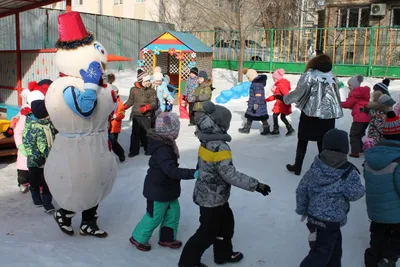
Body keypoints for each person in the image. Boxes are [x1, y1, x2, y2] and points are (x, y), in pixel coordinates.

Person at [179, 101, 271, 267]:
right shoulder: (220, 147)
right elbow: (229, 174)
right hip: (211, 199)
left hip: (214, 194)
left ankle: (223, 254)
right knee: (206, 233)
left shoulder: (205, 139)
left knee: (226, 224)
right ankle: (188, 263)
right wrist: (255, 185)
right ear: (221, 125)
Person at [296, 128, 365, 267]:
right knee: (319, 254)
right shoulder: (348, 171)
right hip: (331, 221)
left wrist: (302, 209)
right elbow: (355, 194)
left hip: (314, 218)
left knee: (333, 250)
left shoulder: (315, 167)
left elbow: (302, 189)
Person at [129, 112, 197, 251]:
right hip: (157, 190)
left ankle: (167, 238)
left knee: (173, 214)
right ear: (170, 131)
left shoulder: (167, 144)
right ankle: (138, 237)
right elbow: (171, 170)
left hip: (168, 189)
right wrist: (193, 173)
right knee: (154, 216)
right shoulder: (162, 148)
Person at [279, 54, 343, 176]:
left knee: (303, 140)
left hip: (310, 113)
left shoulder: (310, 75)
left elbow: (299, 92)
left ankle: (297, 167)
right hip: (328, 116)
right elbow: (336, 95)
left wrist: (285, 99)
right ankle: (324, 170)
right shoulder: (332, 76)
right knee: (323, 142)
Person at [364, 111, 400, 267]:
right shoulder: (397, 160)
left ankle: (372, 259)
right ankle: (388, 259)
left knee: (377, 237)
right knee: (397, 238)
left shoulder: (371, 156)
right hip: (395, 213)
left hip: (375, 210)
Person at [23, 95, 57, 213]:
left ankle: (47, 203)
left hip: (48, 159)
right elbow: (29, 145)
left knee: (47, 181)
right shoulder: (32, 127)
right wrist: (38, 159)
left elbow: (54, 136)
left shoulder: (49, 124)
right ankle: (36, 198)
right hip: (36, 161)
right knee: (35, 181)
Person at [124, 71, 158, 157]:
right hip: (136, 114)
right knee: (135, 133)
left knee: (147, 132)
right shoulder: (133, 90)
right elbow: (130, 101)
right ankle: (134, 151)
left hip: (147, 115)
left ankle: (148, 148)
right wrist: (124, 107)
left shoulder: (151, 91)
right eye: (146, 81)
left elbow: (154, 103)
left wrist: (147, 107)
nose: (148, 83)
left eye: (149, 81)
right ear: (140, 81)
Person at [341, 75, 371, 158]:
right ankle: (361, 148)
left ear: (354, 86)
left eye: (350, 85)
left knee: (354, 134)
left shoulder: (355, 94)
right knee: (361, 133)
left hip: (359, 119)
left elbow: (348, 104)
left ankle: (355, 152)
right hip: (366, 118)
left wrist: (339, 103)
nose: (348, 87)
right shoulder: (363, 93)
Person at [238, 69, 270, 135]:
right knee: (261, 116)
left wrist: (256, 103)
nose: (248, 79)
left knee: (250, 115)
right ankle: (266, 128)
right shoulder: (258, 83)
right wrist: (251, 100)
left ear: (252, 76)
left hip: (257, 104)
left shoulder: (256, 84)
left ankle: (247, 129)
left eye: (248, 78)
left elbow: (258, 94)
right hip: (259, 104)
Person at [265, 68, 295, 136]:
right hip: (283, 104)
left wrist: (282, 99)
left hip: (282, 104)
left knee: (275, 115)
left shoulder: (280, 84)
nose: (273, 79)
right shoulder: (279, 84)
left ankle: (276, 130)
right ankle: (290, 129)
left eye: (274, 78)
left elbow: (286, 94)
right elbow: (276, 96)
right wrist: (266, 100)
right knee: (282, 117)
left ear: (276, 78)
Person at [14, 89, 32, 194]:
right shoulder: (25, 111)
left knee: (37, 168)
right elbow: (18, 131)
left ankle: (39, 183)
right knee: (23, 168)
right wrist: (20, 146)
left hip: (37, 145)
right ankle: (23, 182)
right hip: (25, 144)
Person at [108, 74, 126, 162]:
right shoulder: (106, 101)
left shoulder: (119, 103)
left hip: (114, 127)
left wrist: (116, 116)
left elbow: (122, 113)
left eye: (115, 92)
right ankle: (109, 158)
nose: (114, 94)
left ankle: (121, 153)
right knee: (106, 143)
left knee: (113, 142)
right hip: (106, 126)